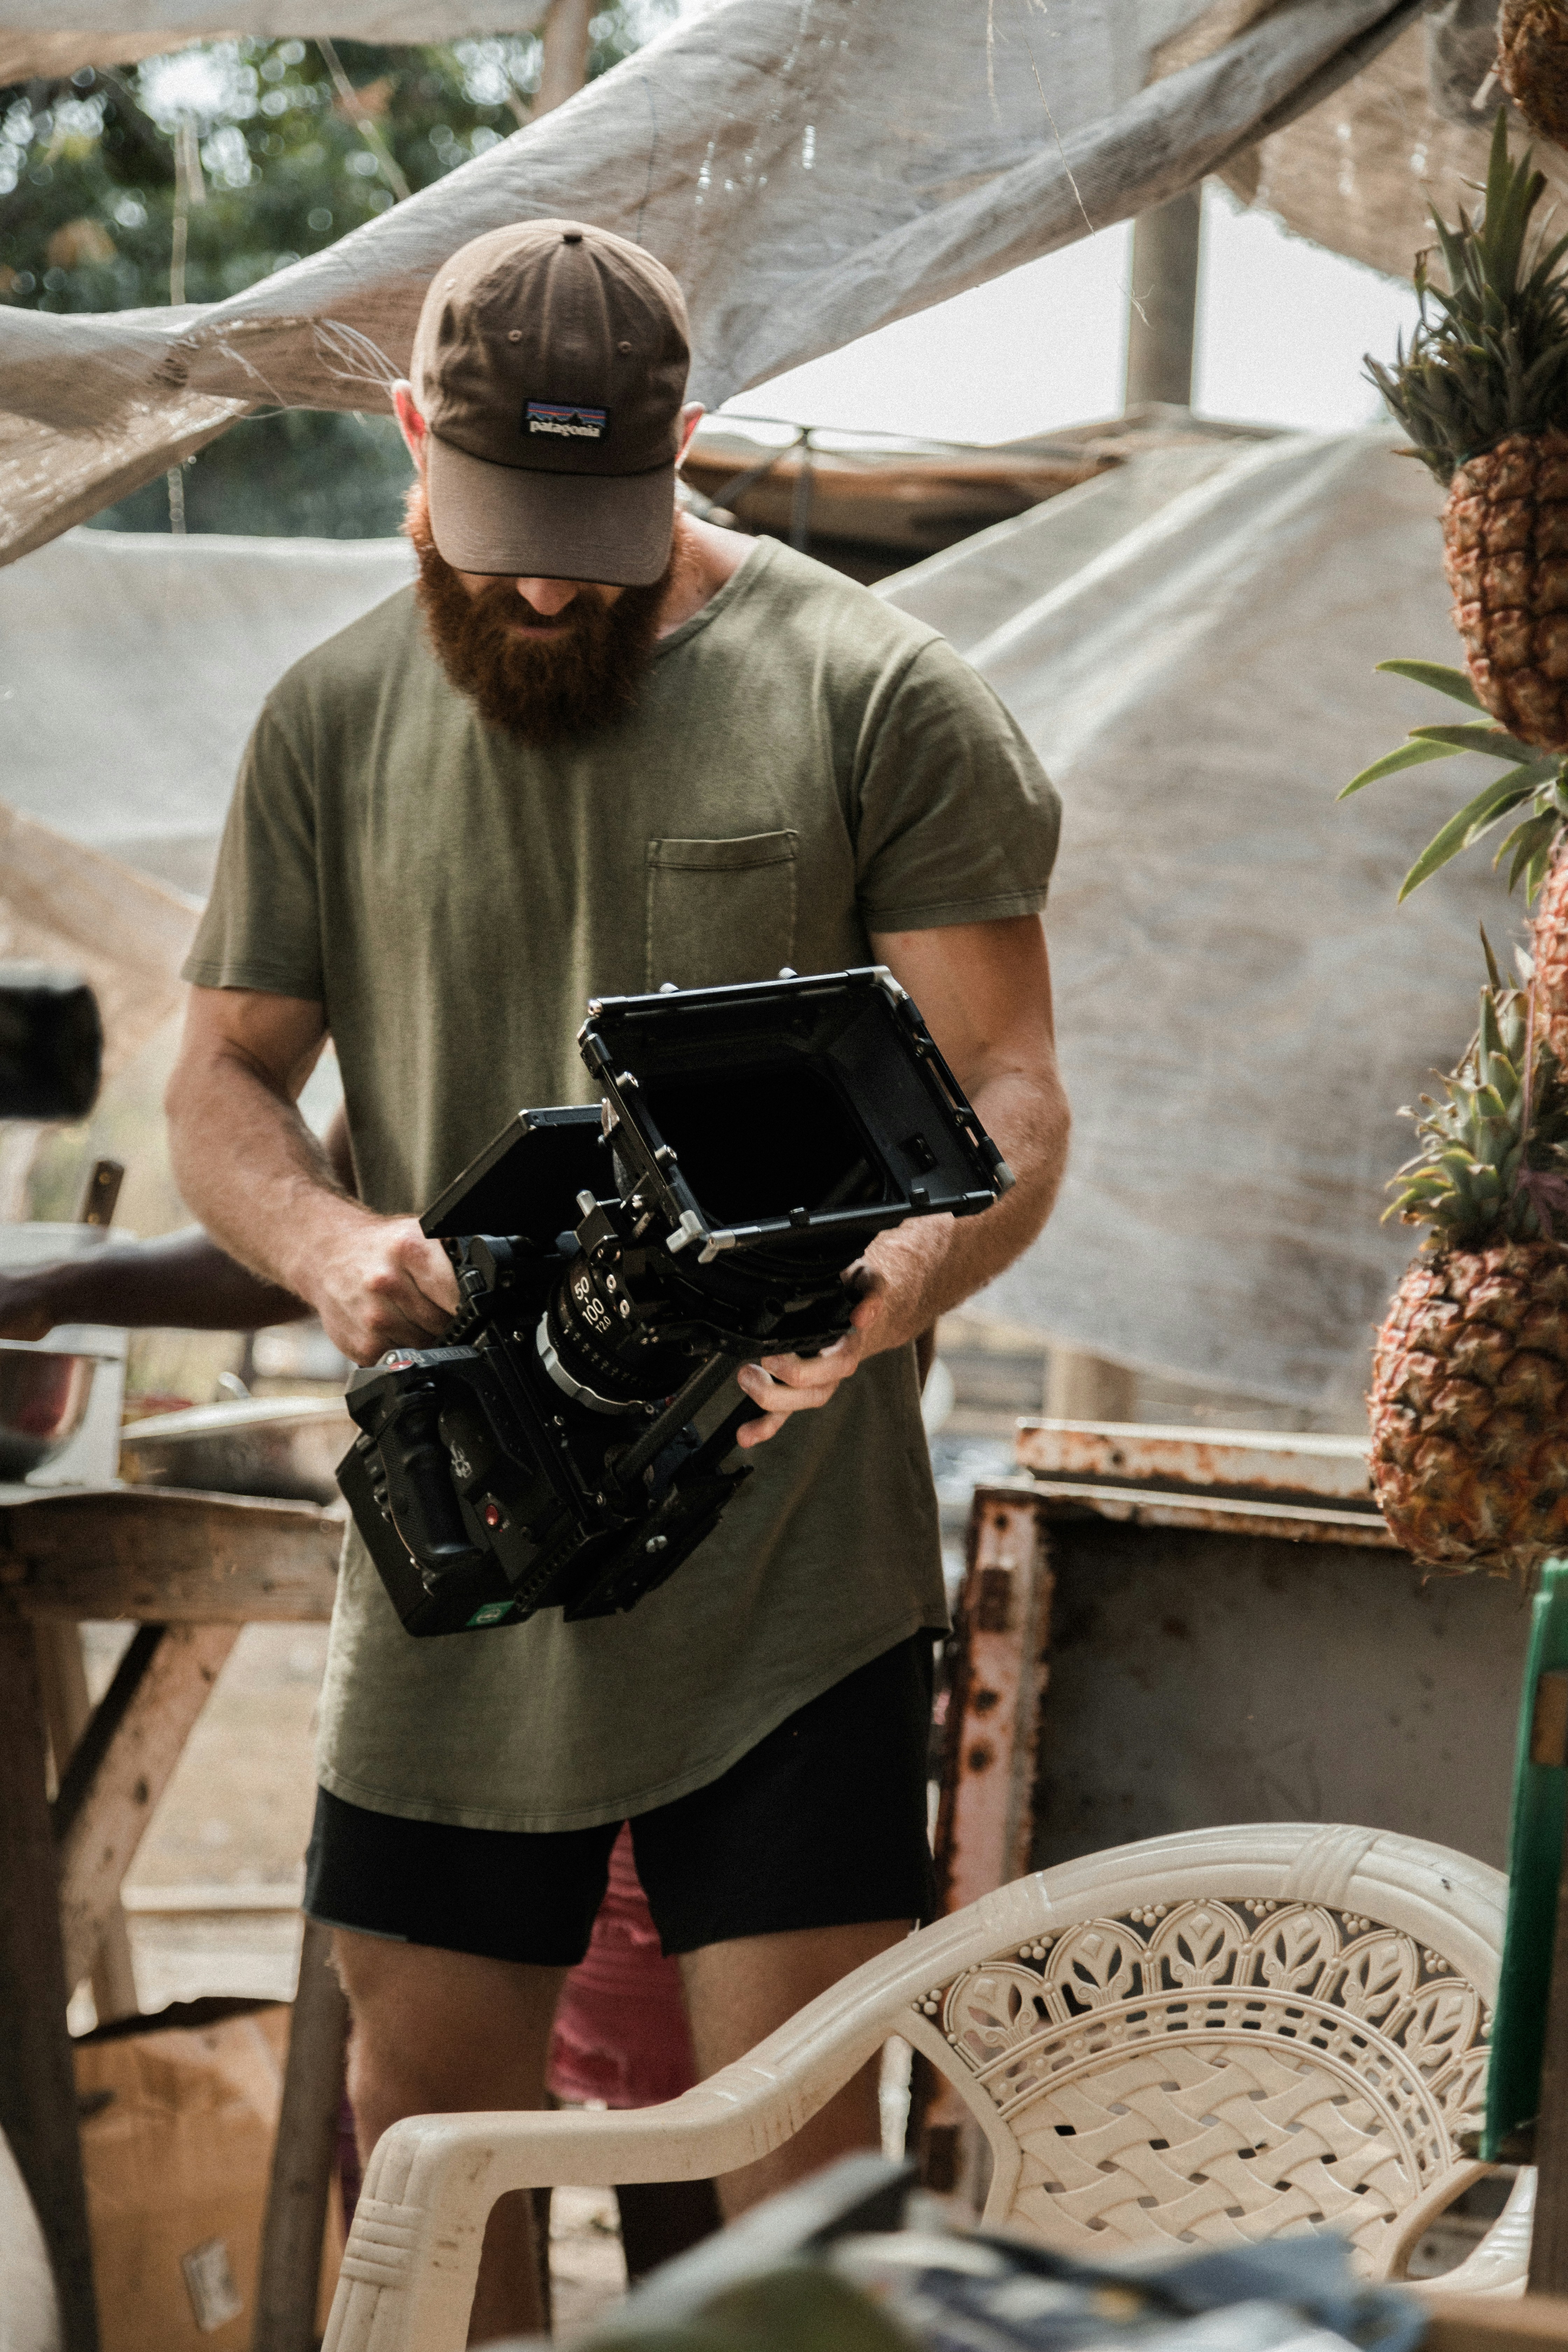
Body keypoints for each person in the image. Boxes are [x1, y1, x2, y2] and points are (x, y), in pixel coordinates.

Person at [160, 219, 1069, 2338]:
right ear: (405, 435)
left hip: (787, 1561)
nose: (549, 582)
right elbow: (216, 1075)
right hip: (462, 1527)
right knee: (431, 2149)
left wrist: (891, 1294)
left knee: (794, 2185)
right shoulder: (328, 722)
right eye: (500, 537)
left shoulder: (880, 695)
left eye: (593, 530)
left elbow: (1014, 1092)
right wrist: (331, 1245)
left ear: (690, 446)